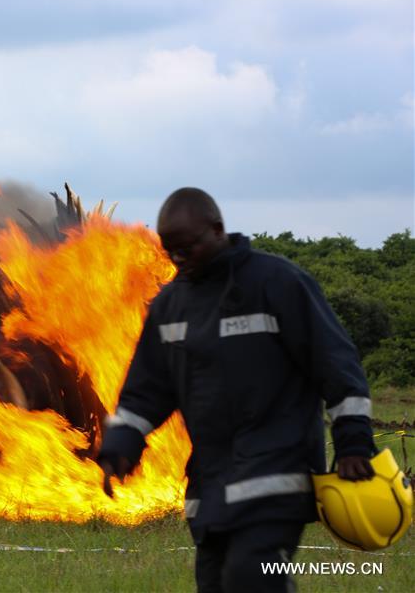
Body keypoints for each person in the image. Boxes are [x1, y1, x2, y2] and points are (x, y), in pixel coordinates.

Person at [97, 187, 376, 592]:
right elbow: (145, 390)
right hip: (210, 489)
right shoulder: (170, 306)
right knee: (214, 583)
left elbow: (336, 363)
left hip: (275, 478)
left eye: (187, 247)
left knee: (253, 577)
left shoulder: (277, 283)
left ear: (217, 229)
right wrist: (121, 444)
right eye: (169, 249)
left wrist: (353, 444)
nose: (177, 259)